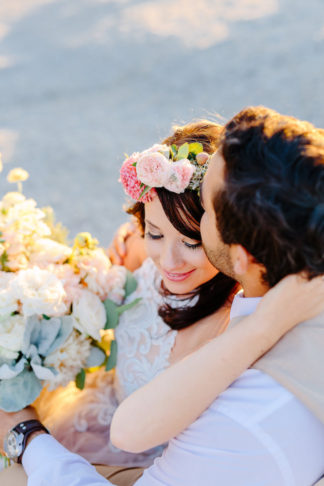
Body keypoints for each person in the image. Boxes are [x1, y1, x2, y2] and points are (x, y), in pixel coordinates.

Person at [1, 106, 324, 486]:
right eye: (154, 233)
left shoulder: (242, 408)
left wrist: (24, 435)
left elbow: (131, 432)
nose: (168, 258)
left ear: (240, 254)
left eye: (197, 229)